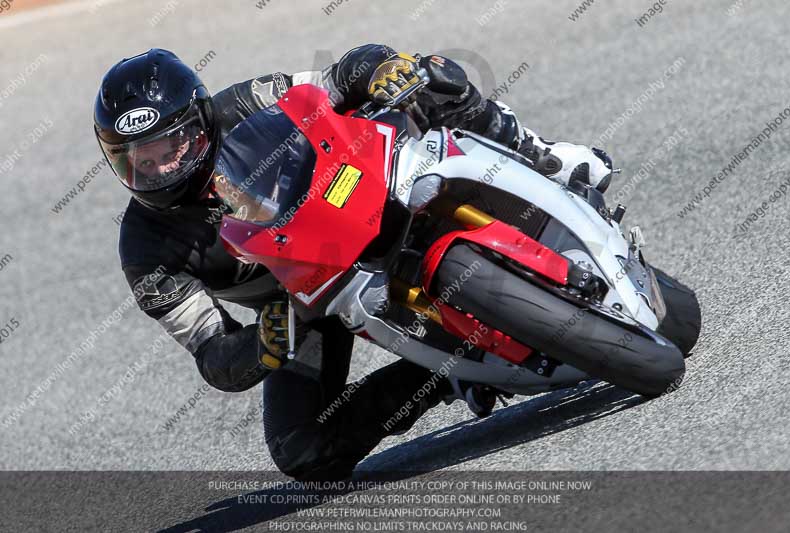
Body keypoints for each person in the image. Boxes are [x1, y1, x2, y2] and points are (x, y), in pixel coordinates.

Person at [93, 45, 613, 480]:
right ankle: (447, 373)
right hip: (302, 304)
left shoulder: (244, 102)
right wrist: (262, 345)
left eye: (169, 147)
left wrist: (381, 68)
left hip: (356, 190)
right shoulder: (144, 251)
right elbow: (213, 354)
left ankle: (541, 155)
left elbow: (336, 78)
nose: (158, 170)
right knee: (301, 449)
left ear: (200, 125)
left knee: (426, 75)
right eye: (138, 160)